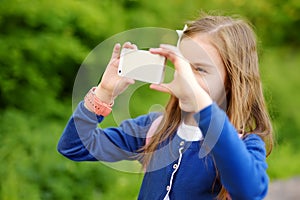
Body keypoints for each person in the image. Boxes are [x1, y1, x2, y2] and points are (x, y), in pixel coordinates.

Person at [57, 13, 273, 200]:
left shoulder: (244, 144)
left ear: (231, 81)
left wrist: (201, 103)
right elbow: (74, 146)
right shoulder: (155, 128)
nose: (185, 76)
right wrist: (104, 92)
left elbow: (250, 192)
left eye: (200, 69)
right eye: (183, 65)